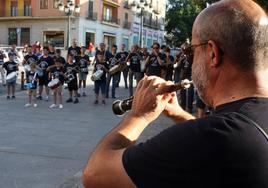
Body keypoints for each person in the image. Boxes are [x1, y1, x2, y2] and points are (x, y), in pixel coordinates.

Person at [83, 0, 268, 187]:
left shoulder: (212, 137)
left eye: (190, 51)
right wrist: (178, 114)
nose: (189, 58)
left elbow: (96, 174)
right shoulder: (231, 131)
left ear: (213, 53)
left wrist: (139, 115)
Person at [177, 42, 194, 113]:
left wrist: (187, 56)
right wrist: (181, 59)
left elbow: (192, 63)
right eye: (182, 48)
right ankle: (183, 107)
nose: (183, 49)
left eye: (184, 48)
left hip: (190, 75)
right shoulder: (181, 55)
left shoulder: (192, 55)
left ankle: (189, 108)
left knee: (190, 92)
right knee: (182, 92)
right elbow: (178, 65)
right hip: (183, 75)